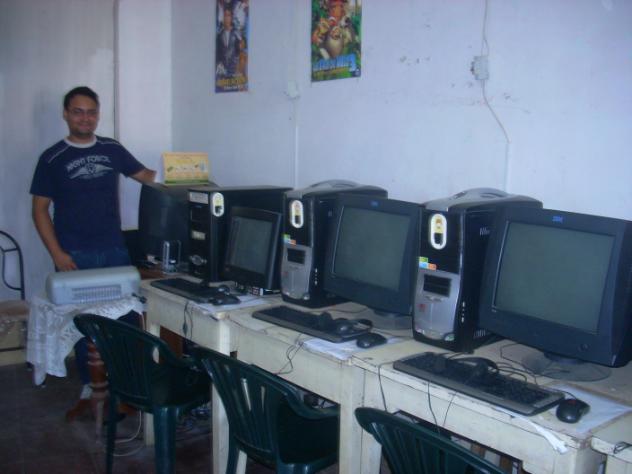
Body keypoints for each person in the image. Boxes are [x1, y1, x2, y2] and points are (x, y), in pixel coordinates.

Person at [30, 86, 155, 396]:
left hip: (114, 250)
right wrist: (57, 253)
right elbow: (40, 210)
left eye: (91, 112)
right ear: (66, 114)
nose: (85, 118)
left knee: (126, 318)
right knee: (84, 322)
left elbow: (147, 177)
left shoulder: (112, 149)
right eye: (78, 112)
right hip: (74, 254)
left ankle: (126, 382)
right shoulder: (52, 158)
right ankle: (91, 383)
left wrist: (188, 175)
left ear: (98, 115)